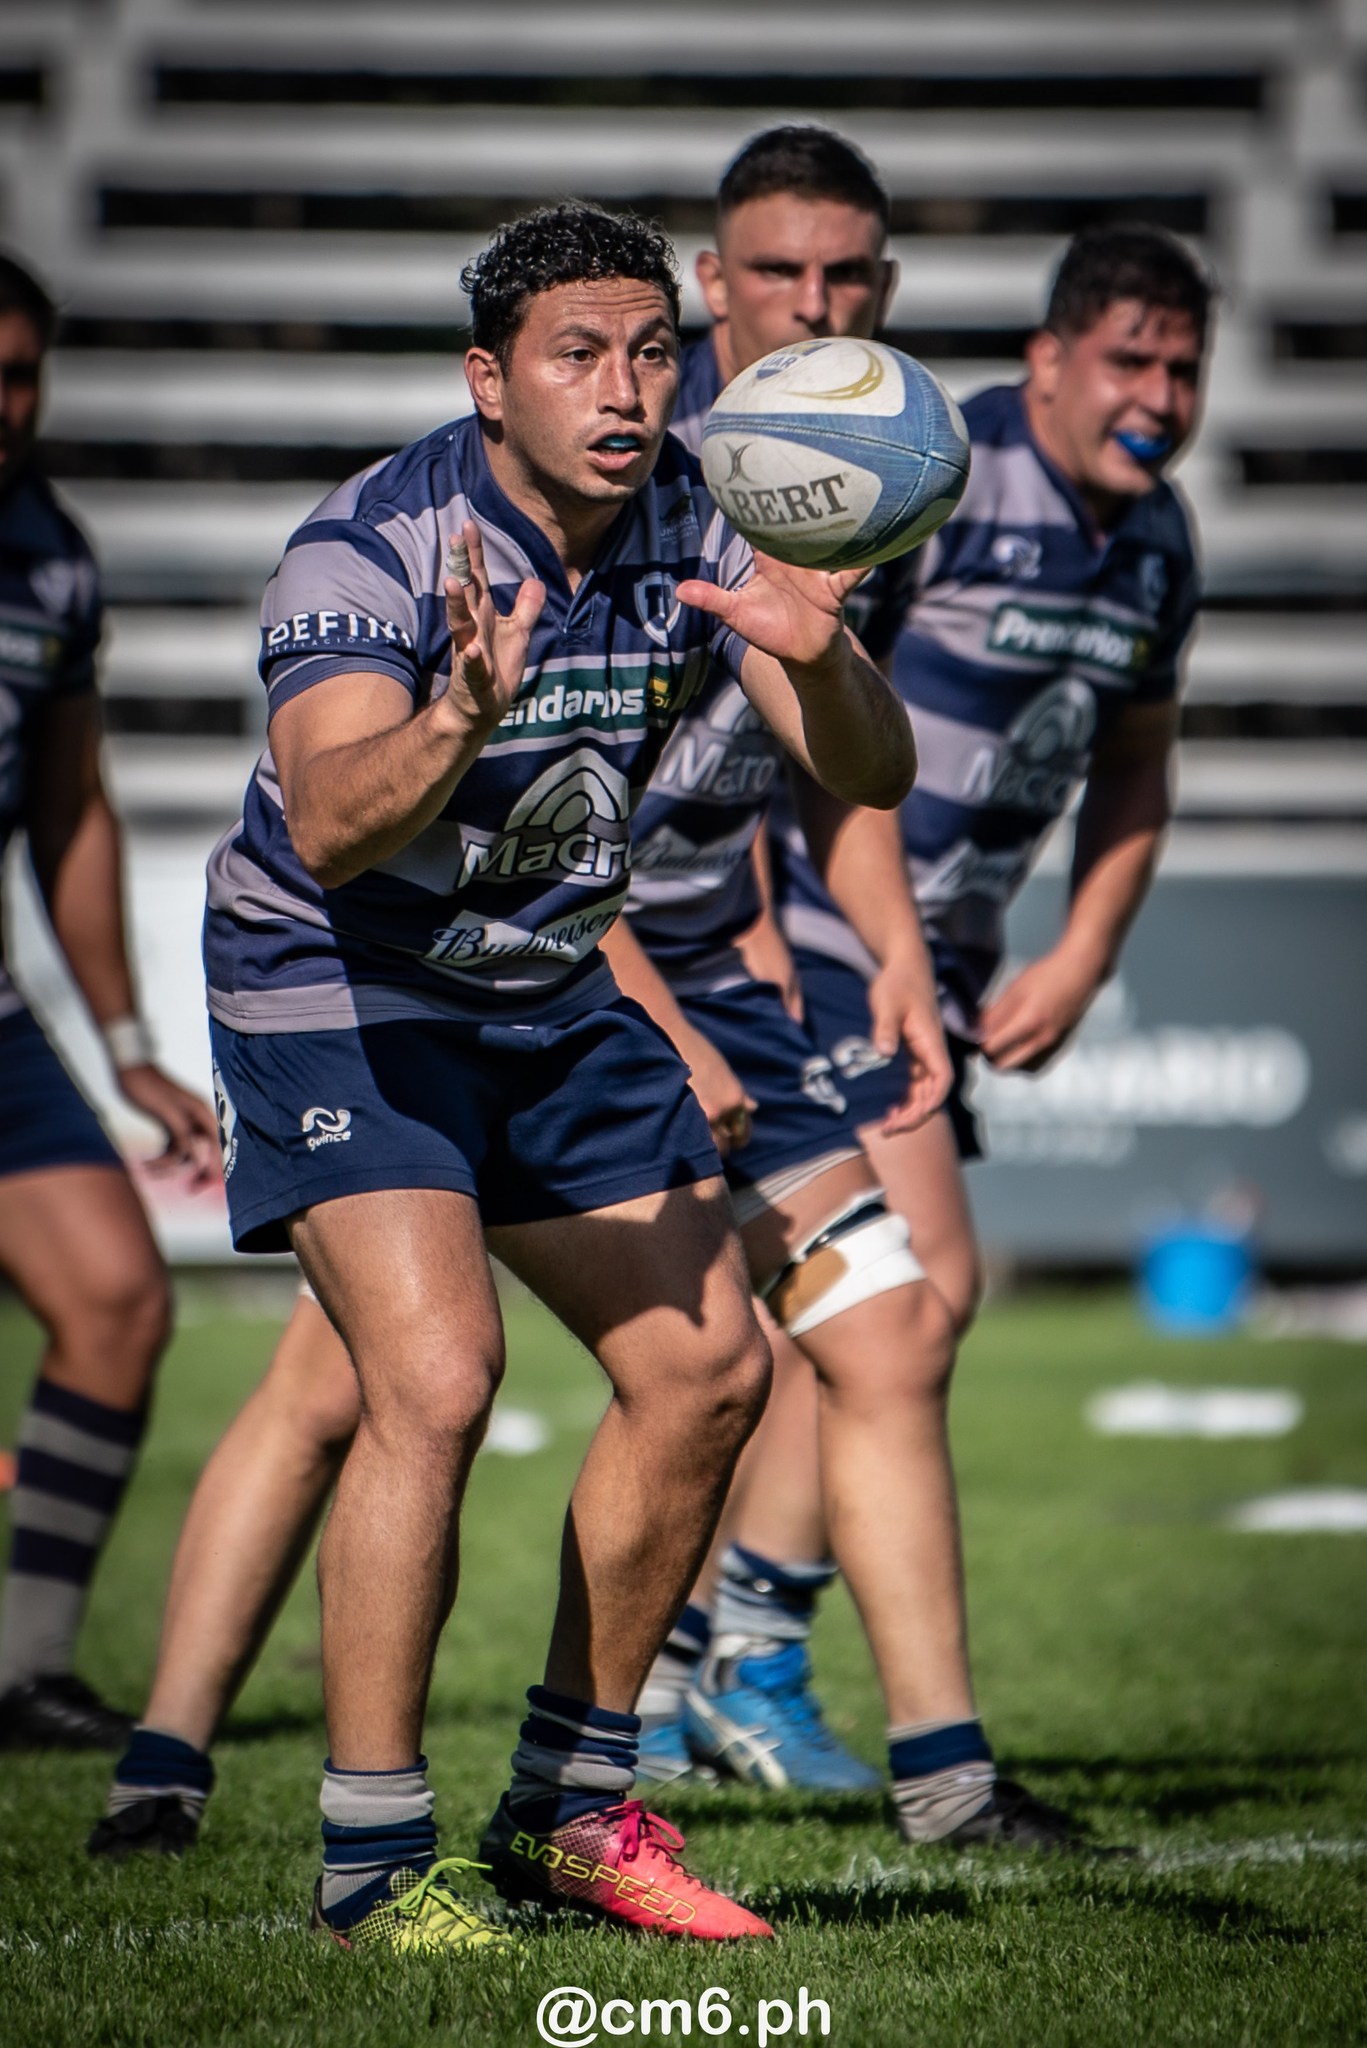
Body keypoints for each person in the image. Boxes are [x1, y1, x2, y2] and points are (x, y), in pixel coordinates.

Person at [95, 201, 915, 1952]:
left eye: (648, 350)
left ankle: (570, 1814)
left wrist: (819, 647)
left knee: (709, 1371)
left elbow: (872, 771)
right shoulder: (369, 549)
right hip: (339, 987)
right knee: (438, 1375)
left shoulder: (709, 510)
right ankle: (374, 1868)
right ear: (490, 380)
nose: (626, 388)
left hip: (540, 979)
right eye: (576, 354)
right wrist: (459, 714)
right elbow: (325, 822)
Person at [609, 129, 1101, 1852]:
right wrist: (678, 1009)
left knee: (882, 1328)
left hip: (707, 968)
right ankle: (171, 1763)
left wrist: (886, 951)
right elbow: (538, 809)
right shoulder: (625, 480)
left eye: (849, 278)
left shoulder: (856, 490)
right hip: (526, 963)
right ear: (708, 283)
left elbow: (824, 771)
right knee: (378, 1387)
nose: (816, 306)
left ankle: (945, 1780)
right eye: (781, 272)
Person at [725, 221, 1211, 1833]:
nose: (1159, 394)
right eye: (1130, 359)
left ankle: (727, 1664)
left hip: (936, 960)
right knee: (914, 1300)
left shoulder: (1157, 542)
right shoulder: (932, 474)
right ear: (1052, 360)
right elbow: (789, 712)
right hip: (831, 944)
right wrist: (790, 940)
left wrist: (1080, 950)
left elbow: (1135, 761)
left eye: (1184, 368)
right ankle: (749, 1672)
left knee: (865, 1316)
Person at [0, 250, 219, 1750]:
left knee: (119, 1301)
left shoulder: (51, 557)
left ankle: (22, 1672)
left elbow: (70, 808)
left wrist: (128, 1044)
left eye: (22, 374)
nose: (4, 405)